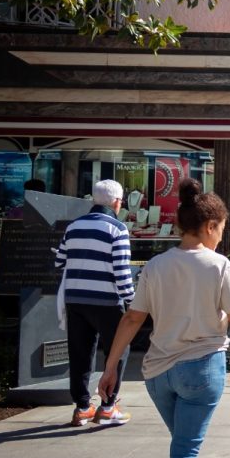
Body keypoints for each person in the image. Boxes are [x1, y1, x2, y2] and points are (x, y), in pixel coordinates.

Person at [98, 179, 230, 458]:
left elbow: (133, 318)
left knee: (184, 445)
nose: (221, 236)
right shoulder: (219, 265)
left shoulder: (156, 264)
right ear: (211, 226)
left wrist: (111, 366)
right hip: (201, 369)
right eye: (222, 229)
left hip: (158, 372)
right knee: (184, 451)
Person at [55, 179, 134, 427]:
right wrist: (132, 302)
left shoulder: (74, 227)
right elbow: (122, 273)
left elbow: (59, 262)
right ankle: (108, 406)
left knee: (80, 353)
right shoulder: (118, 229)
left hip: (75, 300)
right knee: (117, 351)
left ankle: (81, 407)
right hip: (108, 302)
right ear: (117, 202)